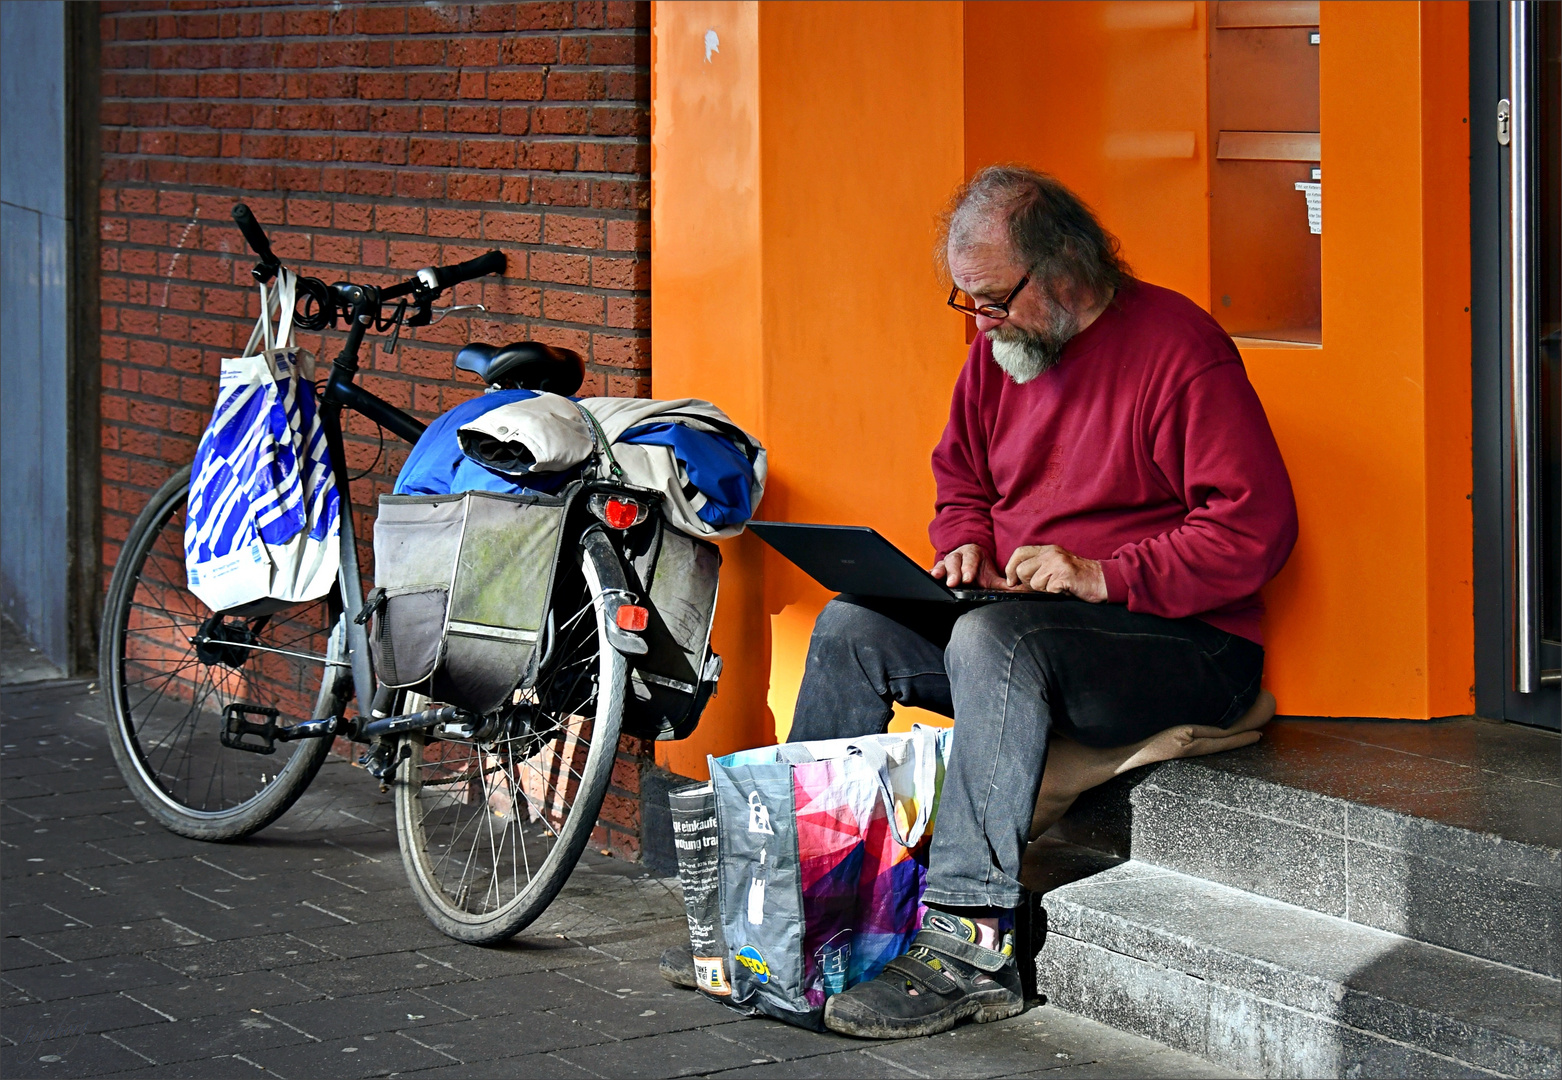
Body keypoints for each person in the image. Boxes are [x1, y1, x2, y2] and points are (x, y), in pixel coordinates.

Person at [663, 165, 1299, 1040]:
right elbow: (960, 475)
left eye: (994, 299)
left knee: (996, 640)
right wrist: (963, 539)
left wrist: (1102, 574)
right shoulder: (1000, 353)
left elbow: (1254, 529)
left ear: (1067, 269)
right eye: (965, 301)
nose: (981, 322)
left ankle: (971, 946)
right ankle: (804, 899)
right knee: (852, 626)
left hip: (1187, 645)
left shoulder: (1180, 349)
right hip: (1034, 630)